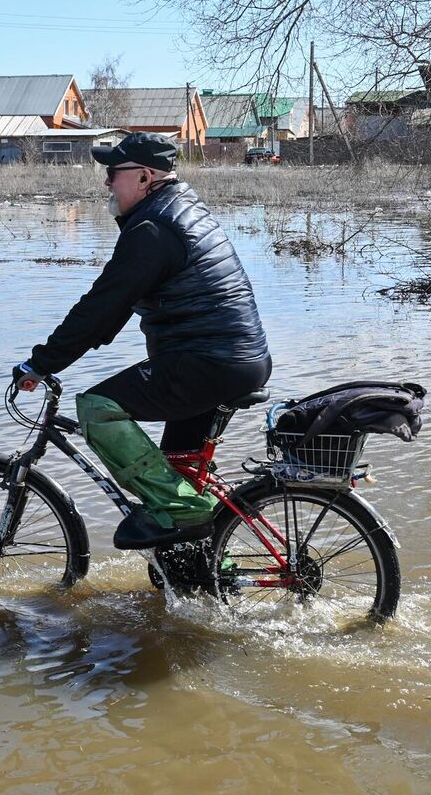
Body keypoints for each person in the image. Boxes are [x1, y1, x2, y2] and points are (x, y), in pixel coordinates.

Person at [14, 133, 271, 549]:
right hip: (231, 360)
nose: (107, 183)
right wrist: (68, 350)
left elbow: (100, 305)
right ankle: (203, 570)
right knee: (176, 477)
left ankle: (186, 510)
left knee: (97, 408)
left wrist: (41, 364)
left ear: (145, 176)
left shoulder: (154, 229)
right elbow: (115, 307)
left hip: (208, 363)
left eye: (113, 172)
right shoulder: (181, 210)